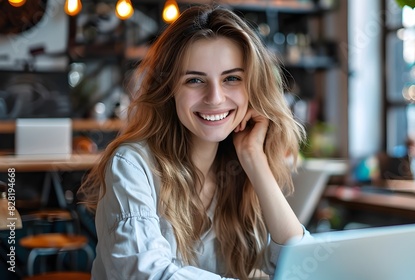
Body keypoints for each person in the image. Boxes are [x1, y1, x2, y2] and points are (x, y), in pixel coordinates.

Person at [77, 4, 312, 280]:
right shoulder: (132, 165)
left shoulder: (241, 171)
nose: (215, 97)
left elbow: (303, 268)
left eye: (232, 78)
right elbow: (145, 274)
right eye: (195, 80)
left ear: (252, 87)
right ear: (170, 89)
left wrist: (253, 158)